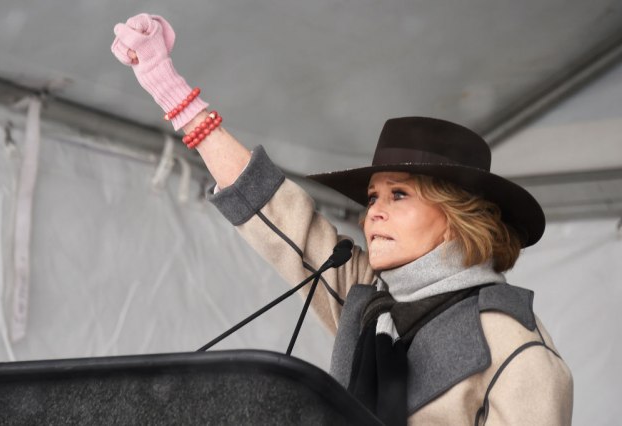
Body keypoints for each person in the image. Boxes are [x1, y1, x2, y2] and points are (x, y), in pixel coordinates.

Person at [111, 13, 573, 425]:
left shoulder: (515, 345)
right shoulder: (370, 302)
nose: (375, 212)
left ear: (457, 218)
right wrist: (169, 87)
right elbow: (270, 207)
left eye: (399, 194)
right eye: (372, 197)